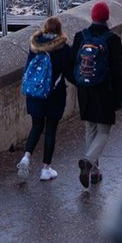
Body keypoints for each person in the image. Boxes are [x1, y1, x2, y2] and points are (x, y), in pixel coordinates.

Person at [72, 0, 122, 188]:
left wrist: (79, 85)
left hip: (85, 91)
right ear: (107, 18)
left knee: (90, 128)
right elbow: (118, 72)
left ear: (93, 17)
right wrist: (119, 99)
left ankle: (94, 171)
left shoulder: (81, 36)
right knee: (103, 131)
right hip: (104, 91)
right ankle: (88, 161)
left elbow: (73, 66)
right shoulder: (112, 39)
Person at [17, 16, 74, 182]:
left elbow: (28, 69)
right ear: (59, 30)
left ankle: (26, 158)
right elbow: (69, 73)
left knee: (36, 126)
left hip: (34, 95)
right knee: (50, 130)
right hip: (53, 95)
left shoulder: (35, 46)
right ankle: (45, 169)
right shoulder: (63, 49)